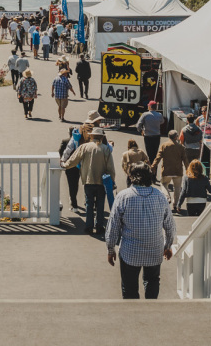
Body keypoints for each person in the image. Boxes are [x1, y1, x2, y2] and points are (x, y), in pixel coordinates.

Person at [105, 164, 175, 300]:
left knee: (129, 287)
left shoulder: (123, 197)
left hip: (130, 252)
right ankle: (151, 308)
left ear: (131, 177)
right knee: (152, 281)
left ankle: (133, 314)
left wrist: (110, 249)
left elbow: (113, 226)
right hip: (154, 249)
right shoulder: (160, 197)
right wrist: (168, 246)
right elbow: (170, 225)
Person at [62, 128, 115, 236]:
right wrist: (112, 181)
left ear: (91, 136)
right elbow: (110, 167)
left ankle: (89, 227)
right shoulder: (106, 149)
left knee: (89, 204)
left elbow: (74, 159)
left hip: (88, 180)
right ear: (102, 137)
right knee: (100, 205)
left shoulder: (84, 147)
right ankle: (99, 227)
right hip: (102, 181)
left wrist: (65, 165)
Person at [151, 130, 186, 203]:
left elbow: (158, 157)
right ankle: (176, 204)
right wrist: (188, 170)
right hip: (178, 170)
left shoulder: (164, 145)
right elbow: (185, 160)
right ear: (176, 137)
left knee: (163, 184)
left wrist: (153, 167)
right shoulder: (181, 147)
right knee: (177, 188)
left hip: (167, 170)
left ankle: (167, 196)